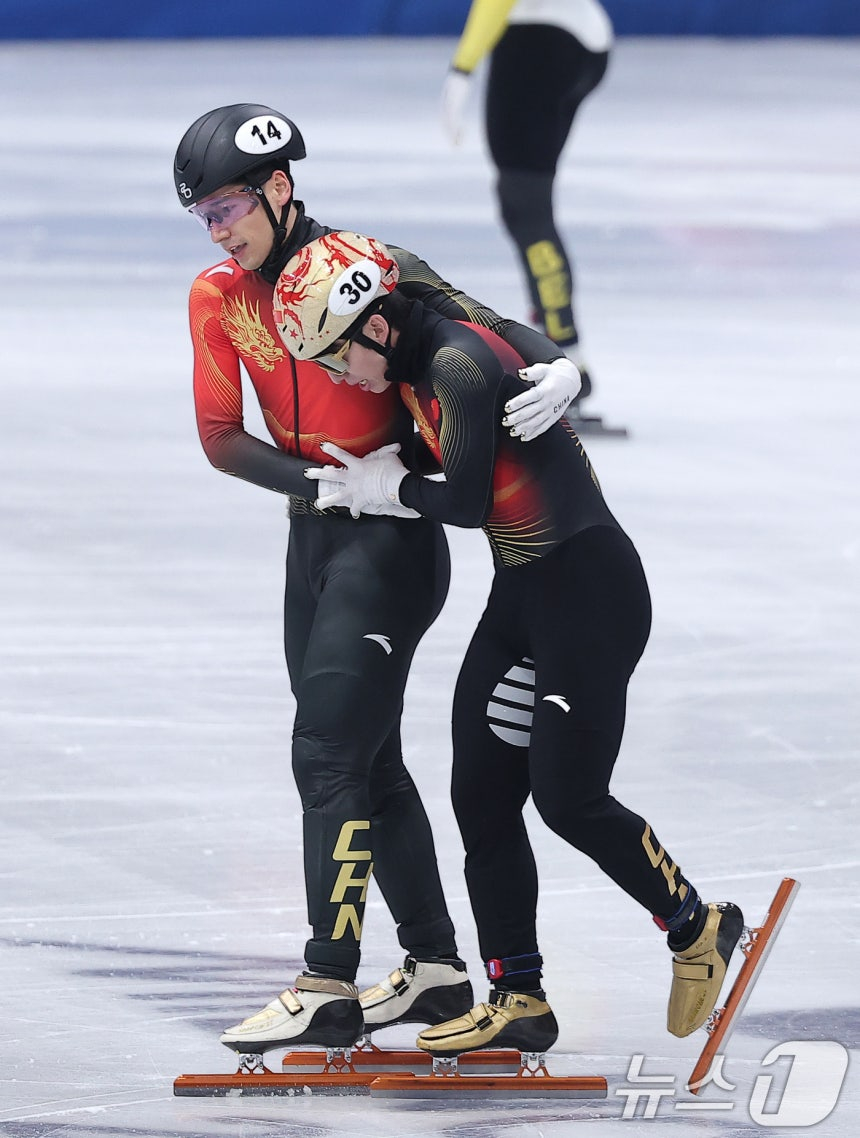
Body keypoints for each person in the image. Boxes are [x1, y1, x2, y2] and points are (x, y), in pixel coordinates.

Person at [172, 103, 584, 1054]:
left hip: (392, 549)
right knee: (368, 760)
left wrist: (561, 366)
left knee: (325, 753)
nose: (221, 228)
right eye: (206, 216)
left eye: (229, 204)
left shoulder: (367, 269)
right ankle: (437, 968)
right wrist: (324, 487)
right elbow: (222, 439)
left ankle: (328, 977)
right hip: (315, 539)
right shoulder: (215, 298)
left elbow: (483, 324)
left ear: (278, 188)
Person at [275, 230, 745, 1057]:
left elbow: (460, 500)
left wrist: (389, 485)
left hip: (587, 591)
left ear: (376, 328)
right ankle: (518, 994)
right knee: (482, 795)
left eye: (336, 357)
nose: (336, 376)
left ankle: (696, 924)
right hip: (524, 589)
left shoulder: (453, 365)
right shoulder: (406, 321)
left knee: (568, 800)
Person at [442, 0, 614, 415]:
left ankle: (567, 357)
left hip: (538, 37)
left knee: (526, 209)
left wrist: (463, 67)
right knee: (527, 207)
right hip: (581, 38)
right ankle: (560, 345)